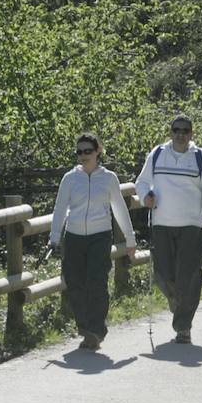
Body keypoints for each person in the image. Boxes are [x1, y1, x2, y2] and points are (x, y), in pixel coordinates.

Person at [134, 114, 202, 344]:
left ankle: (183, 326)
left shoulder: (201, 158)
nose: (180, 134)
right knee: (163, 274)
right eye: (176, 130)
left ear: (192, 133)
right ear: (170, 132)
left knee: (189, 276)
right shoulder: (158, 154)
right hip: (161, 224)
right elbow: (141, 182)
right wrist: (146, 197)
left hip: (191, 225)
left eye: (185, 130)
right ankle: (177, 301)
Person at [49, 133, 137, 350]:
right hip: (74, 236)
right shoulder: (70, 178)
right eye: (79, 152)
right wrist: (54, 237)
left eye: (88, 151)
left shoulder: (109, 178)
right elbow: (60, 209)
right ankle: (84, 327)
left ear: (98, 151)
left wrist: (130, 239)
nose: (83, 155)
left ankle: (96, 330)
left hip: (100, 235)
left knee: (97, 282)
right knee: (75, 283)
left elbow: (119, 209)